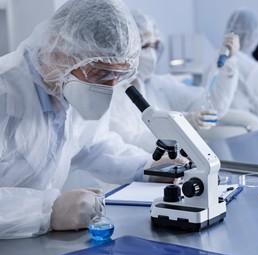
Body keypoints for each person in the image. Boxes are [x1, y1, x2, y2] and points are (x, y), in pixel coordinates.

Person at [0, 0, 165, 239]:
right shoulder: (5, 93)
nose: (109, 87)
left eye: (118, 76)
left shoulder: (65, 87)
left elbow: (94, 145)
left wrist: (147, 168)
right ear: (56, 49)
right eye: (102, 72)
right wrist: (46, 211)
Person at [108, 9, 240, 153]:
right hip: (140, 172)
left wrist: (228, 63)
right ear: (124, 48)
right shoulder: (111, 98)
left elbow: (210, 108)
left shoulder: (157, 85)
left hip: (169, 167)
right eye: (145, 46)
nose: (152, 54)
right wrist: (180, 125)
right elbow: (131, 145)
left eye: (155, 45)